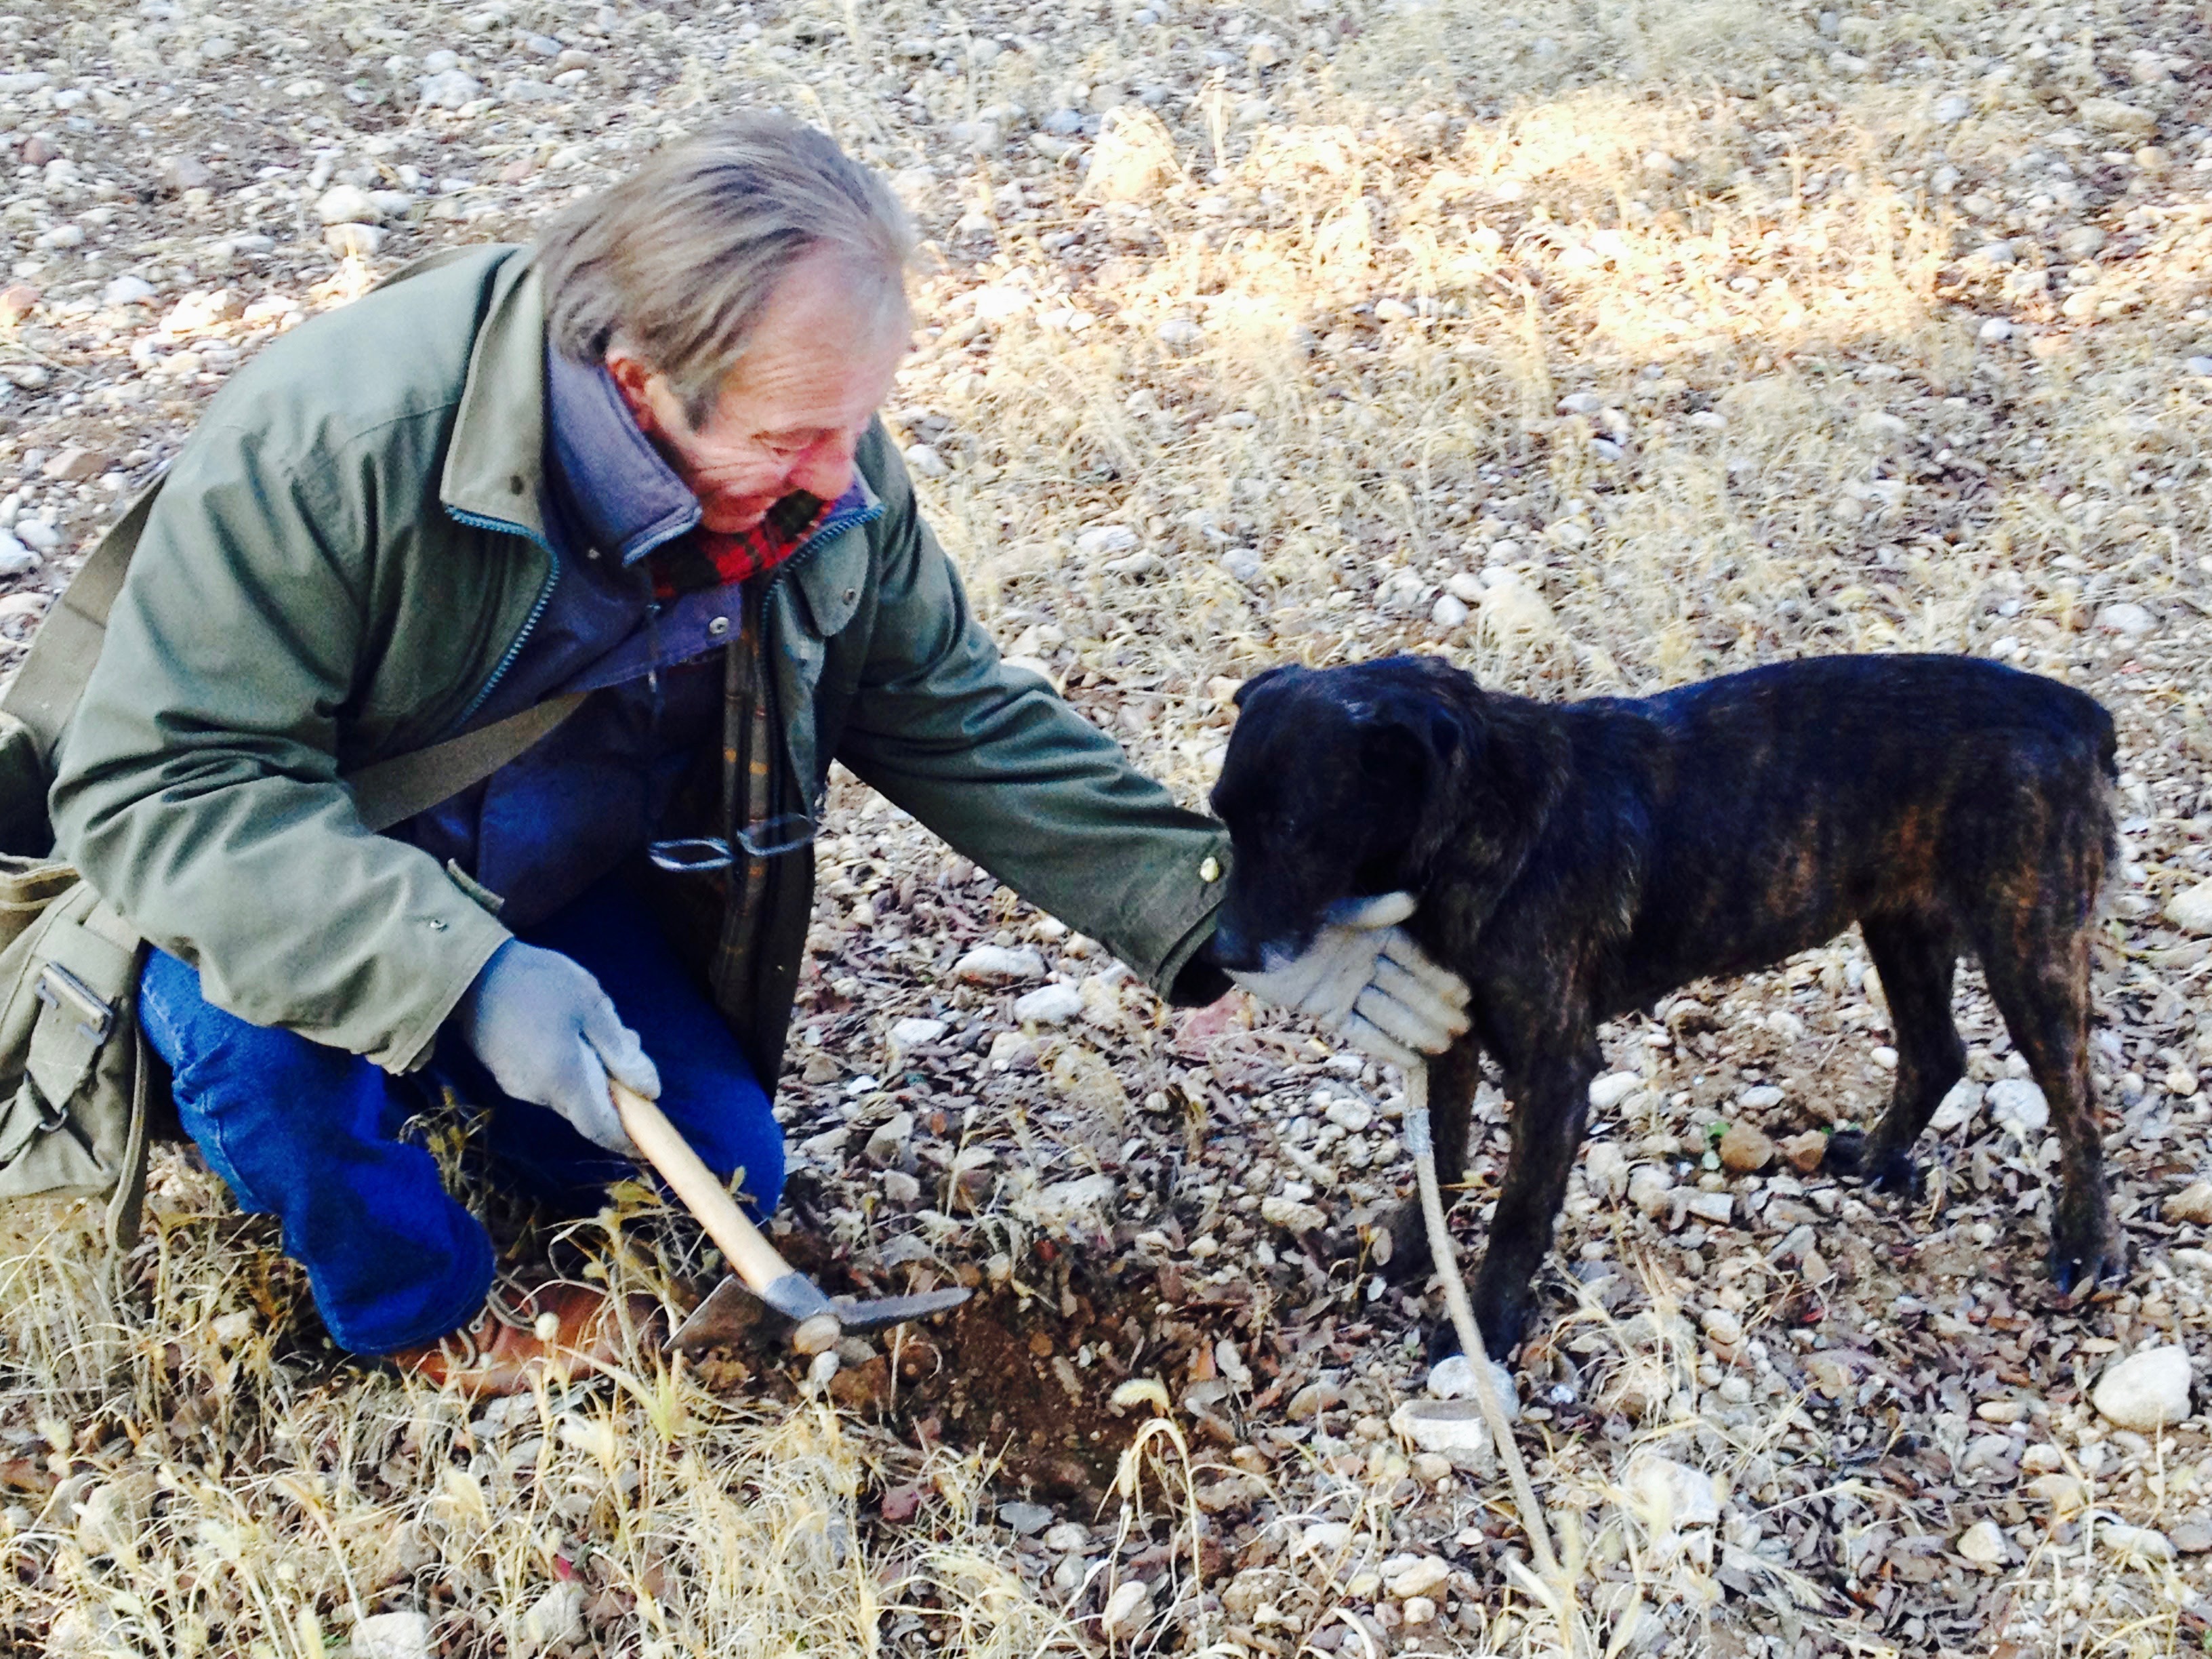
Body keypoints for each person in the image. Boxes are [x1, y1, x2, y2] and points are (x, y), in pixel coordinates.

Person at [45, 114, 1468, 1397]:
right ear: (638, 381)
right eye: (795, 438)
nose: (842, 483)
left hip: (551, 869)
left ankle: (446, 1068)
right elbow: (162, 786)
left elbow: (948, 707)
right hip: (296, 872)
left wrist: (1214, 907)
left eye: (856, 426)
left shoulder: (824, 460)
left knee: (728, 1173)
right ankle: (420, 1315)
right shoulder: (340, 444)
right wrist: (459, 977)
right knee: (262, 1057)